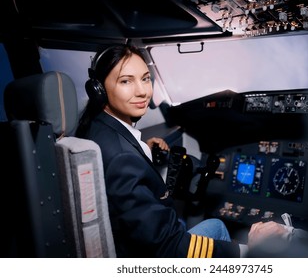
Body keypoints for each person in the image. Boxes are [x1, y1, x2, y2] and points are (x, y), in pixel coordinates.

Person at [76, 44, 290, 257]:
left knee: (214, 224)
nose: (142, 91)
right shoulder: (122, 158)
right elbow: (168, 247)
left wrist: (143, 149)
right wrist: (248, 250)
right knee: (219, 228)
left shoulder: (94, 128)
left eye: (145, 78)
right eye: (126, 81)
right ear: (99, 90)